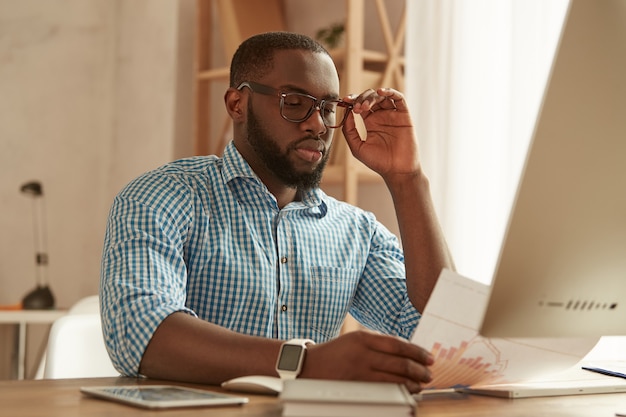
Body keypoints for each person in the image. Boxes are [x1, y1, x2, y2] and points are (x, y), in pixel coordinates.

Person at [100, 31, 454, 393]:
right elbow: (139, 332)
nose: (317, 124)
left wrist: (407, 180)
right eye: (295, 103)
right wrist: (306, 363)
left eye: (328, 108)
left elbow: (447, 336)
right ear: (237, 104)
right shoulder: (161, 197)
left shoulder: (357, 232)